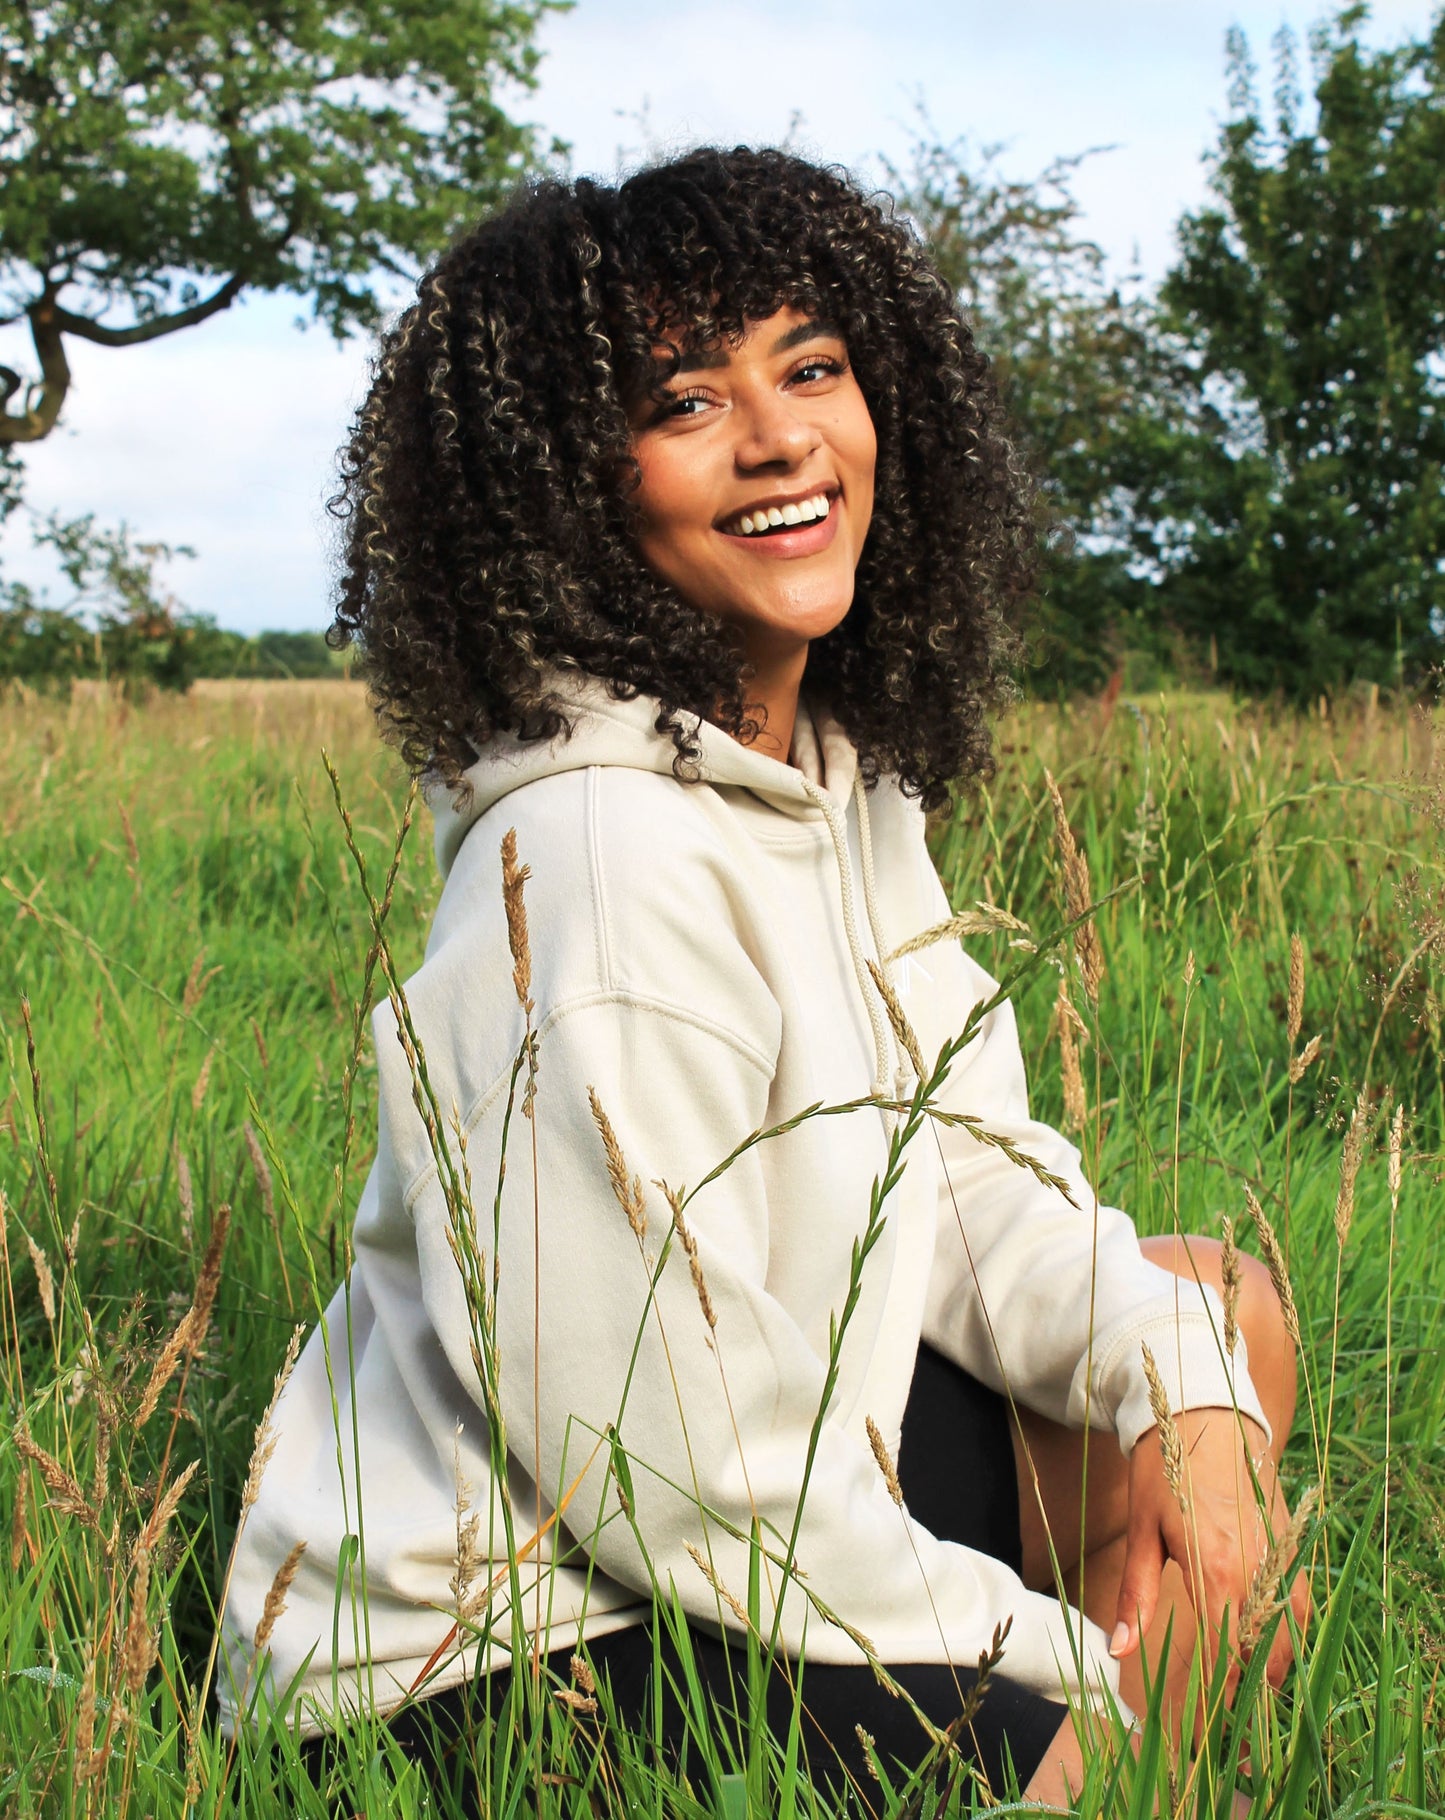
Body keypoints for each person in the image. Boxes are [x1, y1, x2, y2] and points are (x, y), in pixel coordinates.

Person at [218, 147, 1306, 1807]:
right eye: (684, 401)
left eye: (810, 368)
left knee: (1210, 1309)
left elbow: (977, 1193)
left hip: (760, 1485)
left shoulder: (843, 788)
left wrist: (1191, 1398)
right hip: (514, 1634)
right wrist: (1093, 1671)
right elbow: (676, 1478)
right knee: (1109, 1763)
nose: (782, 435)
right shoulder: (593, 862)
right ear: (568, 487)